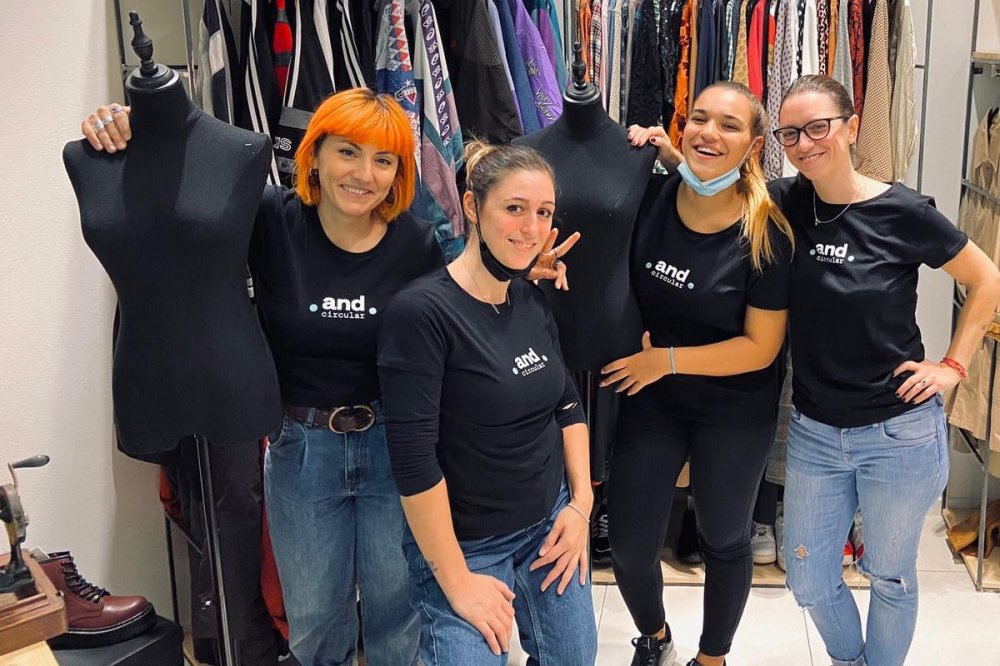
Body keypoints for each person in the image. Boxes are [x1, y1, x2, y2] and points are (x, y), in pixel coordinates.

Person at [81, 89, 573, 666]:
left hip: (395, 450)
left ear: (398, 173)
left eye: (384, 160)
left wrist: (517, 268)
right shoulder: (267, 220)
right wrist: (129, 130)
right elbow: (181, 202)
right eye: (348, 152)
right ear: (315, 155)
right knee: (315, 623)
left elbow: (465, 291)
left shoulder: (416, 243)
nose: (364, 174)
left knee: (397, 617)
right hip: (302, 451)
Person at [769, 75, 1000, 666]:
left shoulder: (903, 210)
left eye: (818, 126)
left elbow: (986, 278)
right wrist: (669, 154)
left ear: (850, 127)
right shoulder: (786, 199)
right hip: (816, 432)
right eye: (791, 132)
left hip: (898, 433)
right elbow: (714, 195)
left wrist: (953, 364)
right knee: (808, 579)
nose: (804, 143)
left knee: (891, 577)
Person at [377, 141, 597, 666]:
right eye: (515, 209)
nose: (531, 228)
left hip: (548, 525)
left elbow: (567, 406)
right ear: (473, 208)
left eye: (543, 213)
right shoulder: (421, 314)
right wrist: (456, 581)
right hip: (467, 546)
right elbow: (413, 462)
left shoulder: (530, 299)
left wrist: (582, 506)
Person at [601, 81, 794, 666]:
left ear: (755, 144)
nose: (711, 133)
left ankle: (712, 658)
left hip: (734, 405)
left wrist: (668, 360)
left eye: (730, 125)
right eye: (700, 119)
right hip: (652, 396)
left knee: (723, 537)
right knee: (632, 548)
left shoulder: (767, 233)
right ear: (681, 128)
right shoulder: (650, 197)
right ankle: (654, 636)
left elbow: (761, 348)